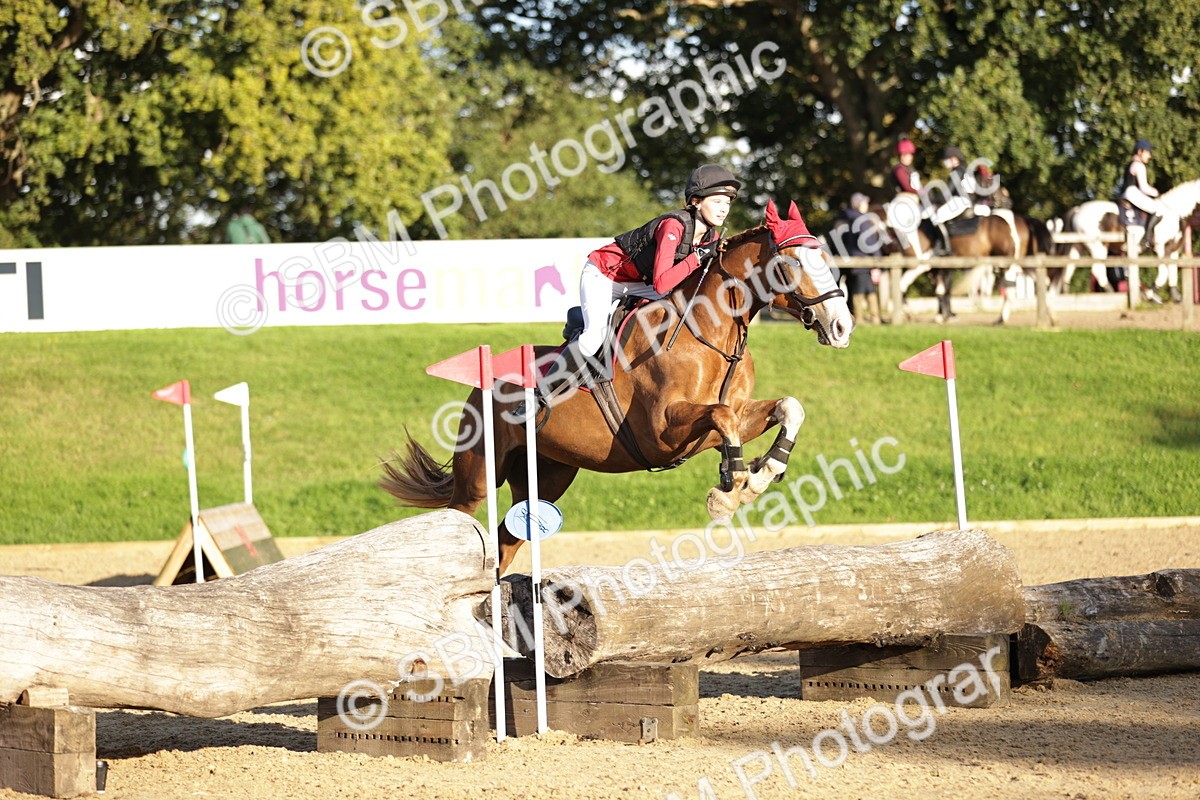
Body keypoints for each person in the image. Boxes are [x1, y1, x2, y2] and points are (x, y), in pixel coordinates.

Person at [512, 164, 738, 423]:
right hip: (604, 275)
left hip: (640, 283)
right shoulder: (673, 226)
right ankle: (537, 397)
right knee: (593, 337)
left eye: (728, 203)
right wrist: (697, 258)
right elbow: (663, 283)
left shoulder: (712, 235)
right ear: (696, 201)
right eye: (718, 201)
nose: (724, 209)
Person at [831, 192, 882, 324]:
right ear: (858, 204)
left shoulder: (844, 218)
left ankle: (860, 317)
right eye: (865, 203)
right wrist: (877, 258)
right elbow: (870, 242)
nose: (867, 205)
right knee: (866, 290)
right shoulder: (862, 220)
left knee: (857, 288)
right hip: (863, 260)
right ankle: (866, 319)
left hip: (849, 260)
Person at [1117, 139, 1167, 249]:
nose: (1149, 155)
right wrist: (1157, 193)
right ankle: (1146, 238)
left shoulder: (1130, 164)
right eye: (1147, 152)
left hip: (1127, 192)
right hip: (1132, 192)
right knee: (1159, 209)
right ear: (1140, 151)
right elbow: (1144, 188)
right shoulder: (1139, 165)